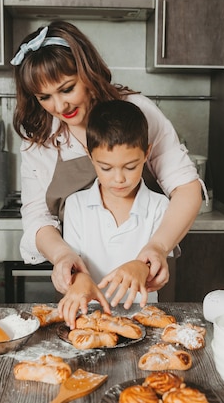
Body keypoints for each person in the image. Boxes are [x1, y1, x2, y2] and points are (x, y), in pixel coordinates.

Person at [11, 20, 203, 305]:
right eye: (44, 97)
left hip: (144, 279)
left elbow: (187, 188)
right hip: (81, 282)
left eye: (67, 89)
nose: (60, 106)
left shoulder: (138, 112)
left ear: (86, 73)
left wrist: (158, 248)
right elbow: (38, 217)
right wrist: (63, 256)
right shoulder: (40, 140)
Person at [58, 100, 170, 327]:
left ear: (147, 153)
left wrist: (142, 267)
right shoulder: (76, 206)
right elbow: (74, 264)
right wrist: (79, 280)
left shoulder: (160, 206)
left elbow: (157, 264)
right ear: (90, 156)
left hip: (141, 321)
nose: (119, 179)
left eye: (130, 167)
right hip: (88, 319)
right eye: (106, 168)